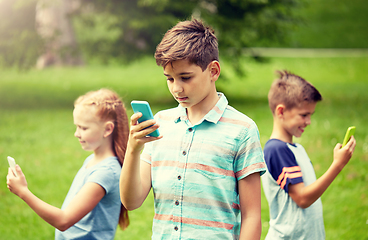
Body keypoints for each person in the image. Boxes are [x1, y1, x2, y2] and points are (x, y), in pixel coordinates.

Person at [119, 18, 266, 240]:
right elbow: (131, 201)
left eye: (185, 77)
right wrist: (132, 150)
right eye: (169, 79)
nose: (176, 88)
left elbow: (252, 215)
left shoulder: (242, 130)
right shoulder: (160, 124)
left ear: (213, 71)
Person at [7, 88, 130, 239]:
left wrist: (23, 192)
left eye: (84, 128)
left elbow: (64, 220)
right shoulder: (93, 161)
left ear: (108, 129)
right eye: (77, 126)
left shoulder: (105, 173)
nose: (77, 133)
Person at [261, 70, 356, 239]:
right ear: (281, 112)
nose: (309, 121)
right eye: (304, 115)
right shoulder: (276, 150)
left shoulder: (295, 149)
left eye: (310, 115)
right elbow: (303, 198)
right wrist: (338, 165)